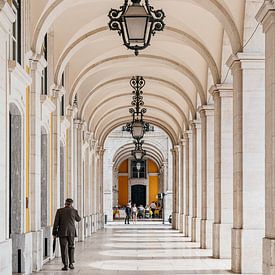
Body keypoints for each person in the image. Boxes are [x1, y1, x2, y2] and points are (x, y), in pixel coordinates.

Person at [52, 198, 81, 271]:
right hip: (71, 232)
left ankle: (65, 265)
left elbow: (56, 223)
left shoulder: (59, 211)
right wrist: (73, 209)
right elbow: (79, 219)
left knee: (63, 248)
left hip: (62, 232)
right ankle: (71, 264)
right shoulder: (74, 211)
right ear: (71, 204)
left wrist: (54, 233)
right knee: (71, 246)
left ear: (65, 203)